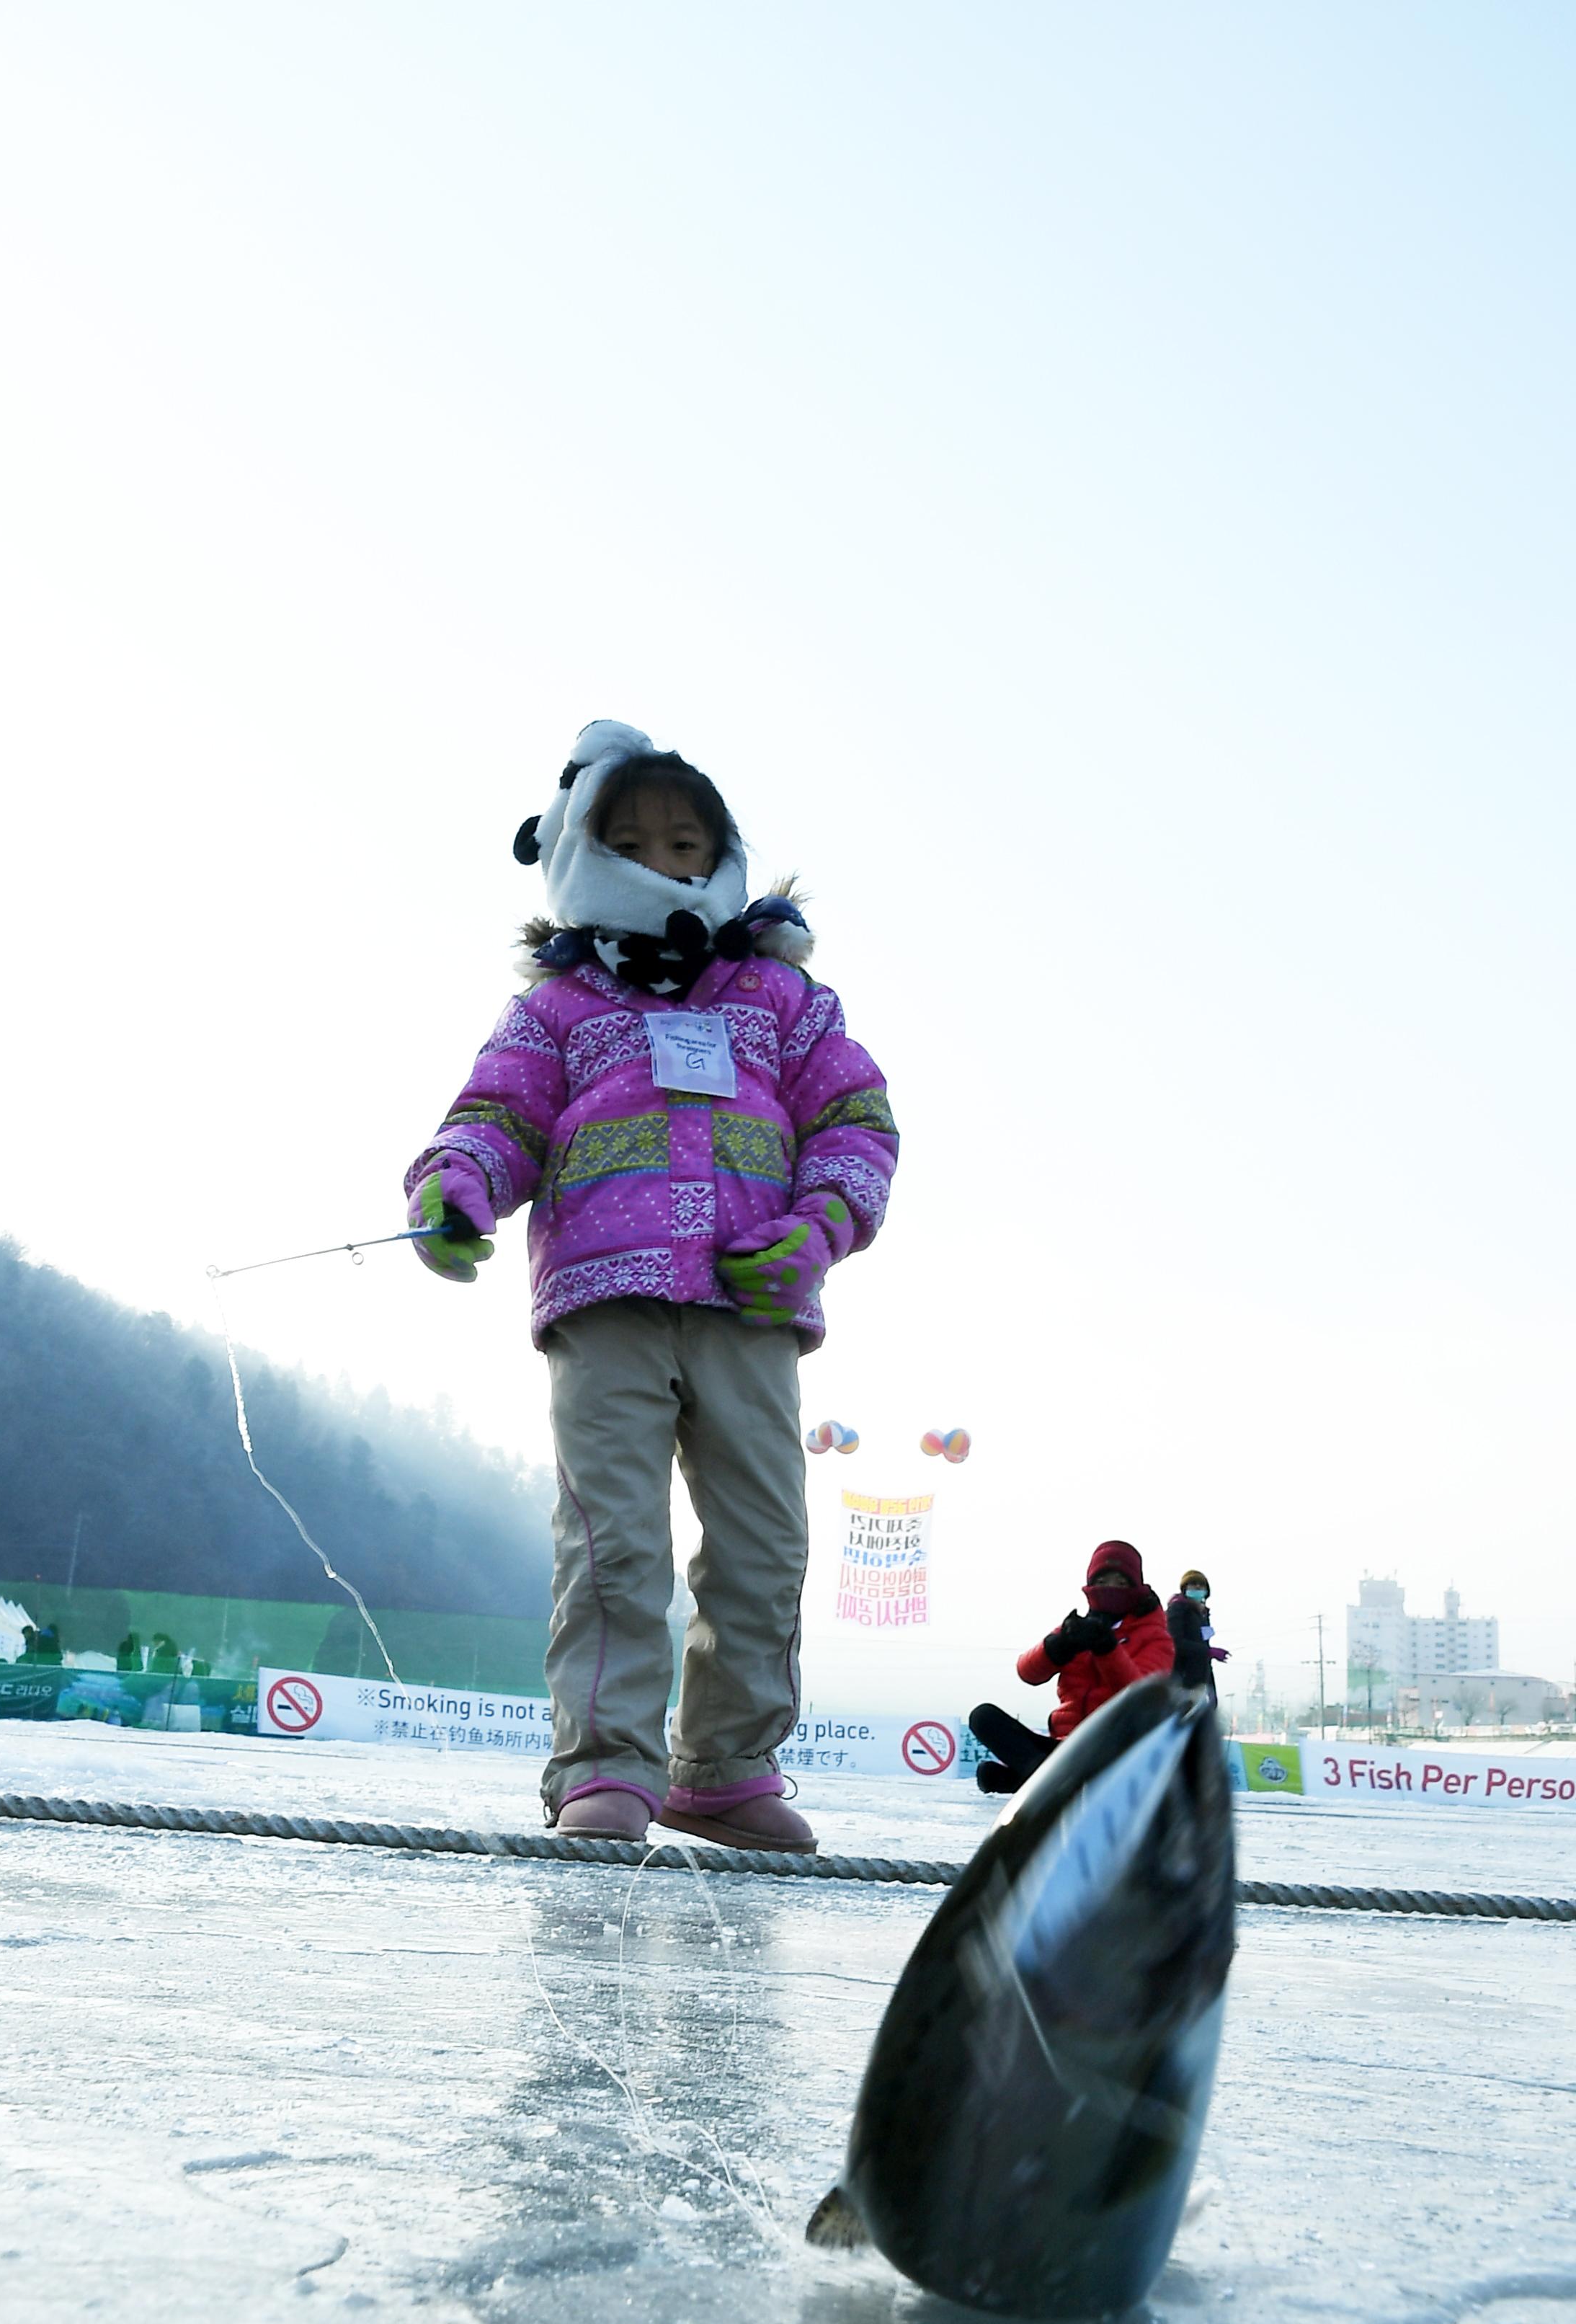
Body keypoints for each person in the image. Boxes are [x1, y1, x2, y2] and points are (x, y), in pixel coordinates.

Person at [405, 720, 898, 1853]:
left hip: (752, 1306)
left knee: (764, 1541)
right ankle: (604, 1764)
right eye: (631, 842)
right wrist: (457, 1185)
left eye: (687, 841)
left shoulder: (783, 1003)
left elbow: (857, 1122)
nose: (664, 862)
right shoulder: (558, 1011)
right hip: (605, 1304)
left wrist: (819, 1228)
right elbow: (493, 1116)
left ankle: (725, 1767)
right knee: (613, 1538)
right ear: (581, 855)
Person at [969, 1538, 1173, 1793]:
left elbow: (1142, 1697)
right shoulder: (1081, 1627)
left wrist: (1107, 1649)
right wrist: (1058, 1645)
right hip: (1066, 1747)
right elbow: (1027, 1672)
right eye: (1102, 1581)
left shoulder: (1155, 1636)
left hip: (1115, 1750)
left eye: (1121, 1583)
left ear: (1136, 1588)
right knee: (983, 1717)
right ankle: (1043, 1778)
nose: (1111, 1588)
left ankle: (1033, 1782)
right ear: (1090, 1584)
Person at [1165, 1569, 1228, 1700]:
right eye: (1193, 1583)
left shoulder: (1202, 1614)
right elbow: (1175, 1643)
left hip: (1199, 1682)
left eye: (1201, 1584)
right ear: (1184, 1588)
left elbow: (1204, 1656)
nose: (1198, 1587)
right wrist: (1208, 1651)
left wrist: (1211, 1690)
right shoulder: (1177, 1609)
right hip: (1180, 1680)